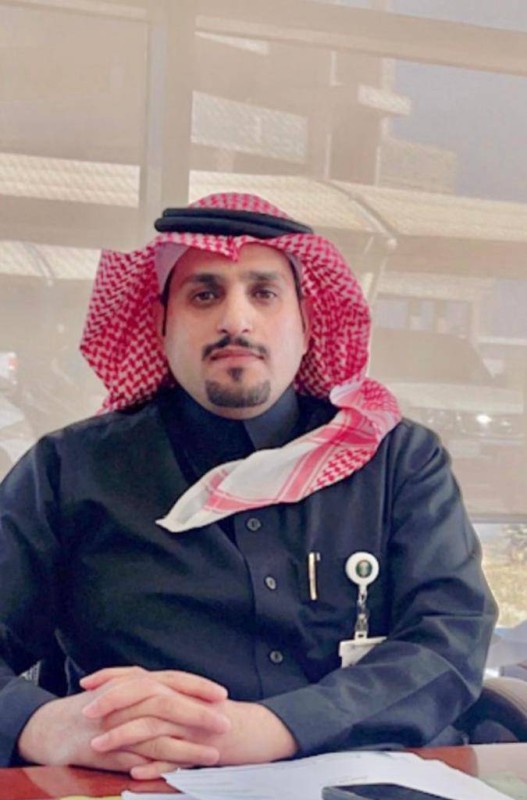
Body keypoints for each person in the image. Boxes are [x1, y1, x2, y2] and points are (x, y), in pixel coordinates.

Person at [0, 192, 497, 779]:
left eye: (263, 293)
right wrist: (39, 724)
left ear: (308, 326)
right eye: (204, 295)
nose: (235, 321)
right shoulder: (69, 469)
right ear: (160, 327)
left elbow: (449, 638)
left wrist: (271, 729)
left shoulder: (398, 462)